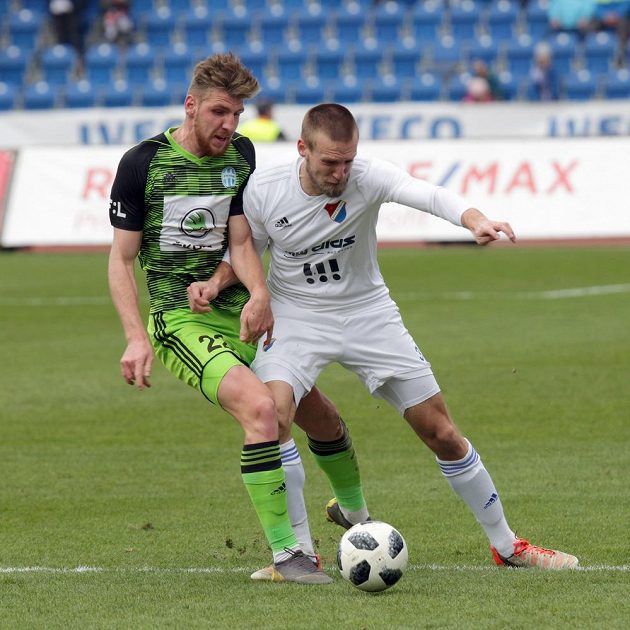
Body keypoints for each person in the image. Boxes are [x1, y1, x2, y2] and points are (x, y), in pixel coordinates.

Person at [191, 103, 579, 571]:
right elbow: (245, 253)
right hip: (296, 317)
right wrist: (217, 285)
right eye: (329, 162)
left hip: (368, 314)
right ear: (302, 150)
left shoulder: (368, 176)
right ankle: (296, 555)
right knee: (273, 417)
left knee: (442, 432)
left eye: (347, 161)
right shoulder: (265, 190)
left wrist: (474, 219)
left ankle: (507, 546)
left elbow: (427, 194)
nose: (340, 172)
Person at [107, 53, 349, 585]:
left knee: (322, 419)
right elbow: (121, 259)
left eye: (237, 113)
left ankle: (358, 517)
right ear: (190, 106)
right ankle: (289, 555)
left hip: (239, 313)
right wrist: (133, 336)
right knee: (262, 413)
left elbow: (241, 239)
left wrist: (258, 293)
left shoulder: (241, 154)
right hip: (181, 320)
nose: (229, 125)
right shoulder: (142, 164)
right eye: (219, 111)